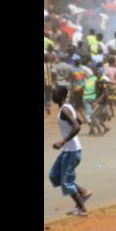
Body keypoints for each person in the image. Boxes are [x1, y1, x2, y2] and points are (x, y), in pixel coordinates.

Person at [49, 86, 92, 217]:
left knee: (66, 182)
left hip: (72, 151)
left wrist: (63, 141)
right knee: (54, 175)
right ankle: (83, 192)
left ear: (61, 96)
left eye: (54, 93)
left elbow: (77, 126)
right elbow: (79, 121)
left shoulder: (64, 110)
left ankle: (82, 209)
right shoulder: (68, 107)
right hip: (68, 150)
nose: (52, 96)